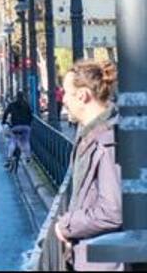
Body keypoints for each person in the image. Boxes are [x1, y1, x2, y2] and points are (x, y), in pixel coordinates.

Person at [56, 60, 122, 271]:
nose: (63, 99)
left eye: (66, 92)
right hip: (96, 256)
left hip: (103, 260)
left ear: (83, 95)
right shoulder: (94, 134)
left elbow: (112, 211)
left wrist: (66, 226)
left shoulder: (108, 141)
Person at [2, 93, 33, 168]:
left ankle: (9, 158)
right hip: (26, 127)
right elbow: (31, 116)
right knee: (25, 141)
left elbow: (6, 113)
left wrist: (3, 121)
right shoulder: (26, 105)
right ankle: (28, 157)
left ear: (16, 97)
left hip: (15, 126)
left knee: (13, 141)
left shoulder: (12, 105)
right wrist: (28, 124)